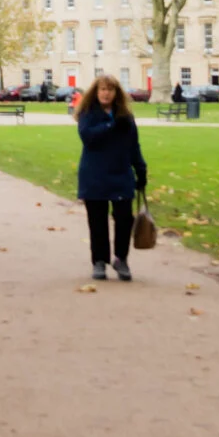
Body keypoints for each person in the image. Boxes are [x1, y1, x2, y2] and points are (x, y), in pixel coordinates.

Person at [74, 74, 148, 282]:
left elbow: (134, 146)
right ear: (96, 92)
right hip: (94, 175)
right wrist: (111, 126)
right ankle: (99, 261)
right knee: (97, 221)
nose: (106, 93)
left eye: (110, 89)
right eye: (103, 89)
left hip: (120, 173)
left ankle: (121, 259)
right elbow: (88, 137)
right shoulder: (88, 113)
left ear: (116, 93)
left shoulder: (126, 116)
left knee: (125, 219)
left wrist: (141, 169)